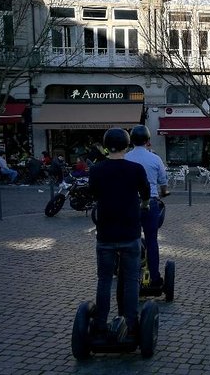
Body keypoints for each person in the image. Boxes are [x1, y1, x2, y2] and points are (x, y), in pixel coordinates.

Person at [88, 128, 150, 342]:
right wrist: (144, 204)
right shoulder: (136, 169)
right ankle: (131, 325)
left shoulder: (96, 170)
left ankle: (99, 326)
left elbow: (93, 194)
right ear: (126, 145)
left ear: (106, 146)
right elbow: (145, 194)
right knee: (131, 280)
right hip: (130, 233)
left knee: (104, 280)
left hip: (105, 234)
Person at [125, 125, 170, 288]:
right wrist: (164, 192)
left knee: (132, 240)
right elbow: (163, 184)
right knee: (152, 241)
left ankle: (131, 275)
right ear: (148, 140)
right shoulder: (155, 159)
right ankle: (155, 278)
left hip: (130, 204)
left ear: (131, 141)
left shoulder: (126, 158)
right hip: (150, 202)